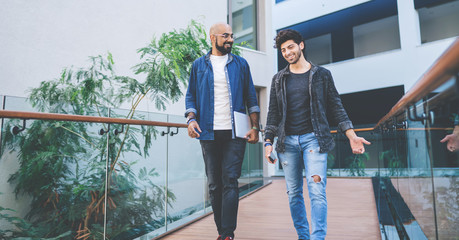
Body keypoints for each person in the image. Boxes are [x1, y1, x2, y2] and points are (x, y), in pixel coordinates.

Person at [264, 29, 371, 240]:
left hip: (314, 139)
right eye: (283, 50)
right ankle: (303, 236)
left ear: (301, 45)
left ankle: (317, 238)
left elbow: (336, 107)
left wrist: (352, 135)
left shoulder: (322, 75)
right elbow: (273, 114)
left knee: (316, 191)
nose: (287, 52)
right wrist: (268, 141)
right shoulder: (278, 79)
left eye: (291, 47)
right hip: (287, 144)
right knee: (294, 194)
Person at [185, 22, 260, 240]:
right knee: (214, 185)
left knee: (230, 180)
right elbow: (190, 96)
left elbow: (251, 98)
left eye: (232, 36)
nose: (230, 40)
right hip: (208, 133)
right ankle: (221, 231)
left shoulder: (241, 64)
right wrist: (191, 119)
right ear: (212, 37)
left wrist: (255, 127)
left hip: (235, 132)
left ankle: (227, 234)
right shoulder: (199, 65)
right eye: (225, 36)